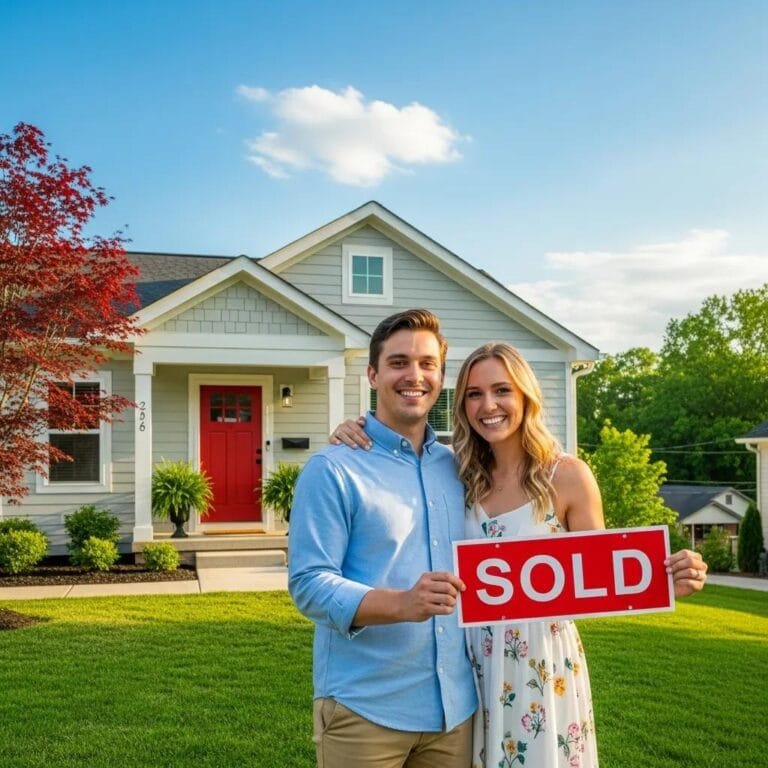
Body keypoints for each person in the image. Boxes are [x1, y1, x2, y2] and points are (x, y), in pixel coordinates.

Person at [332, 338, 708, 768]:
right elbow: (395, 449)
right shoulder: (458, 473)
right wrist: (355, 428)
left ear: (525, 395)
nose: (488, 404)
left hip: (542, 666)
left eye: (502, 390)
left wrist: (671, 578)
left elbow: (603, 575)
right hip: (470, 668)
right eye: (474, 394)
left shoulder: (566, 476)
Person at [288, 309, 477, 768]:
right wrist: (402, 604)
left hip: (456, 712)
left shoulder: (460, 467)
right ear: (372, 374)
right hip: (365, 710)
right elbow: (310, 583)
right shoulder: (333, 469)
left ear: (441, 375)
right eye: (398, 362)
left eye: (427, 364)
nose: (414, 375)